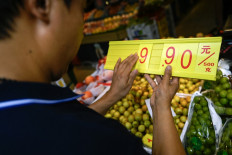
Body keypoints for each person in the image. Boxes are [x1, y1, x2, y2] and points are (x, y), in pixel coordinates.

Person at [0, 0, 185, 155]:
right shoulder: (98, 140)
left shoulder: (20, 111)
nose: (82, 29)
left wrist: (112, 94)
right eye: (81, 10)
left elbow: (73, 122)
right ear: (43, 5)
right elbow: (75, 130)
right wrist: (162, 107)